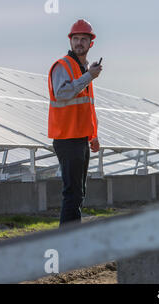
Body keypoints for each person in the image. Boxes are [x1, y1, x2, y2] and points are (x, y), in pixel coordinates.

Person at [47, 19, 103, 226]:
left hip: (79, 138)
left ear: (91, 44)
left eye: (84, 39)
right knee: (72, 194)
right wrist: (88, 76)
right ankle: (68, 247)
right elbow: (62, 94)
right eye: (76, 39)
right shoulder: (64, 66)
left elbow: (87, 107)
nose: (79, 42)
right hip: (67, 138)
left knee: (78, 194)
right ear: (70, 41)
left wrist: (93, 135)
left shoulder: (83, 69)